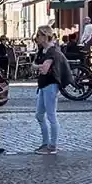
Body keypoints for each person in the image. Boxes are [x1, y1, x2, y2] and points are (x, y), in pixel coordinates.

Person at [31, 25, 70, 154]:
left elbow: (44, 69)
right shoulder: (43, 50)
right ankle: (45, 143)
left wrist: (36, 66)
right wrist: (39, 66)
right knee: (39, 115)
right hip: (44, 85)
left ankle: (52, 146)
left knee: (51, 116)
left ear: (45, 36)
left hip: (50, 85)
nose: (36, 38)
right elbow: (40, 67)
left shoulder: (52, 51)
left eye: (38, 35)